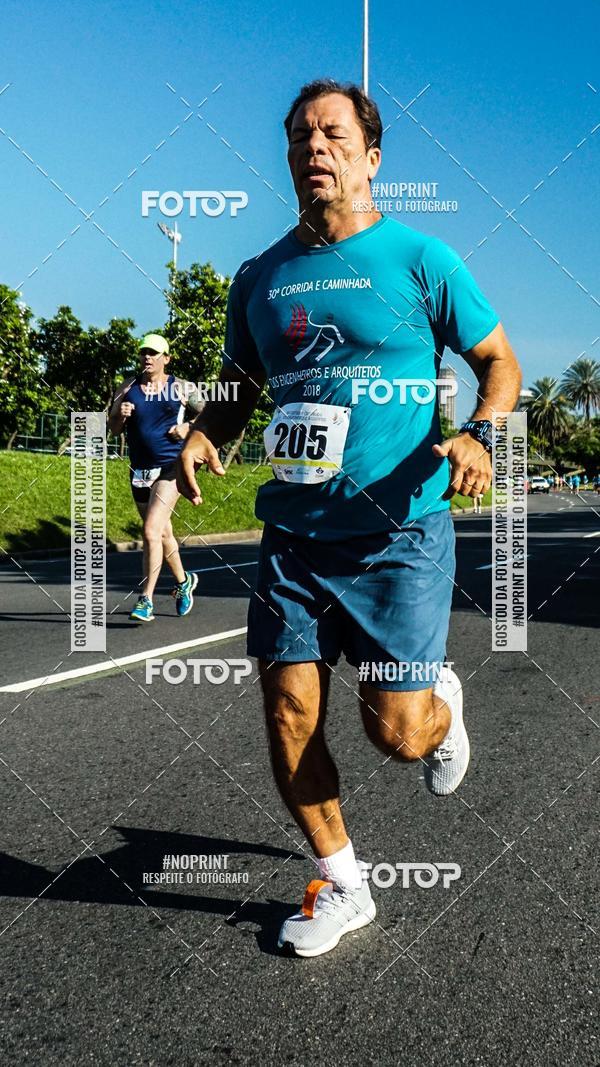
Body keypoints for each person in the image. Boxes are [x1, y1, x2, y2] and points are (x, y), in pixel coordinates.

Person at [177, 79, 522, 958]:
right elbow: (241, 389)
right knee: (290, 711)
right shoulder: (259, 277)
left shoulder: (421, 260)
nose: (313, 147)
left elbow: (500, 361)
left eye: (332, 133)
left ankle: (438, 699)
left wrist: (480, 435)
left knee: (398, 736)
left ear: (372, 157)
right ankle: (343, 883)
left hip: (400, 531)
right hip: (293, 534)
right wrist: (203, 435)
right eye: (299, 135)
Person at [108, 333, 203, 622]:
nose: (147, 357)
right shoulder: (128, 387)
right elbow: (113, 428)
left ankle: (145, 599)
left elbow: (213, 416)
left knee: (150, 531)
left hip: (170, 468)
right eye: (143, 353)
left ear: (166, 358)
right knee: (162, 533)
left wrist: (188, 426)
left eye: (153, 353)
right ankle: (184, 581)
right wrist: (118, 414)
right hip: (139, 470)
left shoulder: (183, 388)